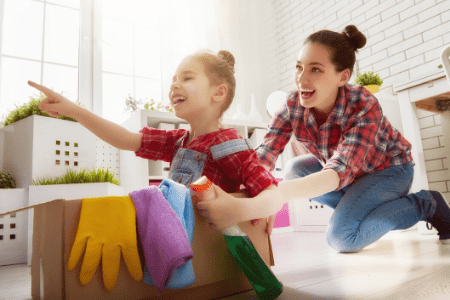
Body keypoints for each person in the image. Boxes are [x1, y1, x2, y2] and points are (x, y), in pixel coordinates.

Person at [196, 25, 450, 253]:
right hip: (349, 178)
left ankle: (426, 204)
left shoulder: (363, 104)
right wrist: (250, 193)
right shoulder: (293, 103)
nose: (301, 78)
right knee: (295, 169)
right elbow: (265, 155)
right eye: (299, 67)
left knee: (343, 238)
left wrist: (272, 198)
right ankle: (360, 211)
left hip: (389, 170)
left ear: (342, 77)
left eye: (315, 69)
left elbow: (338, 171)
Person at [28, 49, 283, 228]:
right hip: (175, 233)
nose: (173, 85)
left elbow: (272, 193)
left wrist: (244, 210)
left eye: (187, 78)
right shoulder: (178, 141)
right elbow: (125, 139)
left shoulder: (229, 145)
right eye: (173, 80)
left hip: (205, 244)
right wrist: (72, 110)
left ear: (218, 92)